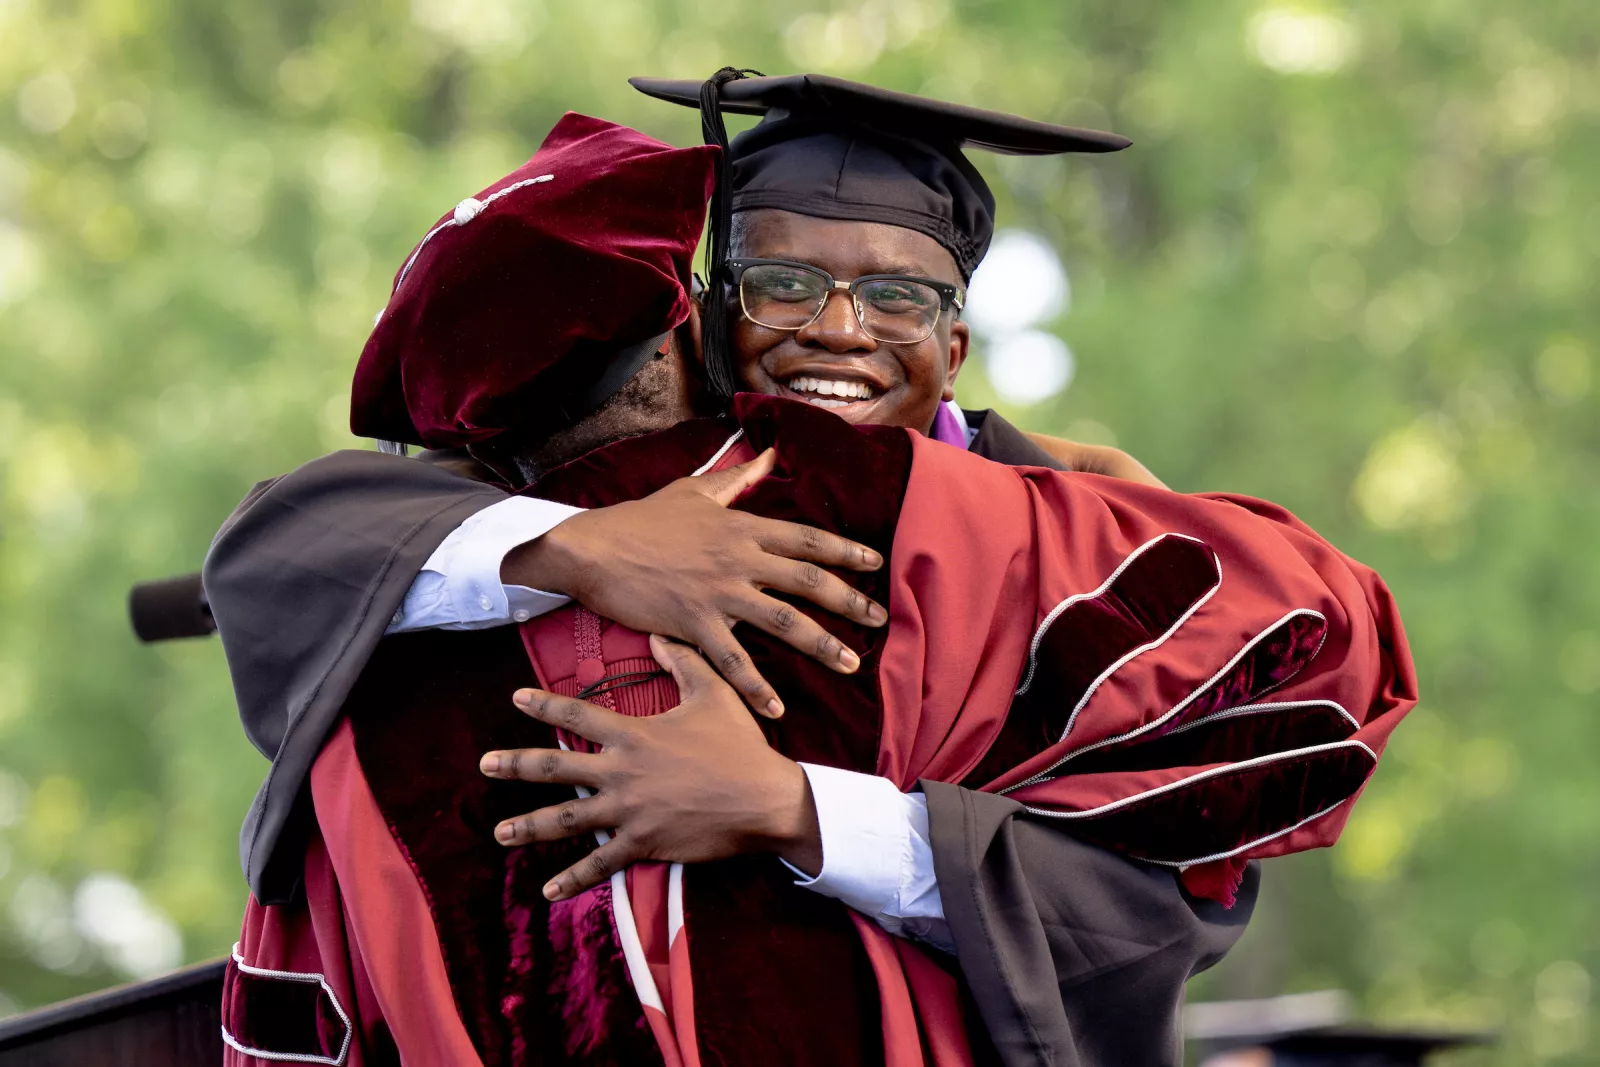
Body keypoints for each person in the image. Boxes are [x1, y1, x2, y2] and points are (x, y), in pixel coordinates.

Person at [214, 109, 1415, 1066]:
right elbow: (293, 542)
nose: (839, 330)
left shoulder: (1057, 531)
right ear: (701, 314)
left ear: (955, 342)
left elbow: (1136, 903)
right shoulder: (585, 488)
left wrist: (794, 807)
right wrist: (577, 548)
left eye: (899, 297)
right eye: (783, 283)